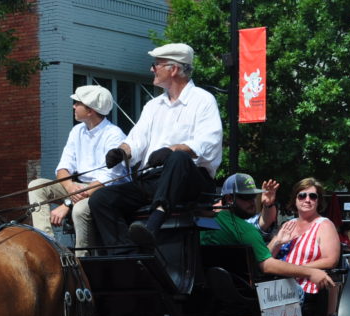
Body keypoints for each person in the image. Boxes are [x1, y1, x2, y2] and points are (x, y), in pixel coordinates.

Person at [91, 43, 223, 254]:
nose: (152, 69)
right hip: (155, 179)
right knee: (101, 199)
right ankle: (126, 256)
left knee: (178, 159)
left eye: (157, 65)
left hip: (191, 181)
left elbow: (209, 142)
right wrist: (121, 151)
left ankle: (153, 224)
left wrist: (172, 150)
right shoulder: (152, 106)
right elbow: (137, 139)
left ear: (173, 69)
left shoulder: (204, 100)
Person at [28, 85, 127, 249]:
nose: (74, 106)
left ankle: (82, 260)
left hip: (103, 190)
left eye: (77, 103)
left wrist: (67, 203)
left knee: (79, 210)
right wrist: (70, 188)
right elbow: (63, 168)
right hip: (79, 187)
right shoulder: (77, 131)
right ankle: (49, 246)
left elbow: (109, 178)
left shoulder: (114, 135)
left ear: (90, 111)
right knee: (36, 186)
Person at [201, 174, 334, 289]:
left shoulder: (202, 224)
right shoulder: (246, 230)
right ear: (229, 199)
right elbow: (266, 264)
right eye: (245, 197)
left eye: (253, 196)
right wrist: (310, 272)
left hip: (215, 289)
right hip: (253, 292)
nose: (252, 202)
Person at [267, 178, 341, 294]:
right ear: (295, 200)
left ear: (318, 201)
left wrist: (295, 270)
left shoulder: (324, 225)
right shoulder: (288, 224)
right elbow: (266, 257)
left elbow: (331, 260)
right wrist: (277, 242)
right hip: (279, 287)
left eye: (313, 196)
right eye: (302, 196)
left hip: (306, 289)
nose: (307, 200)